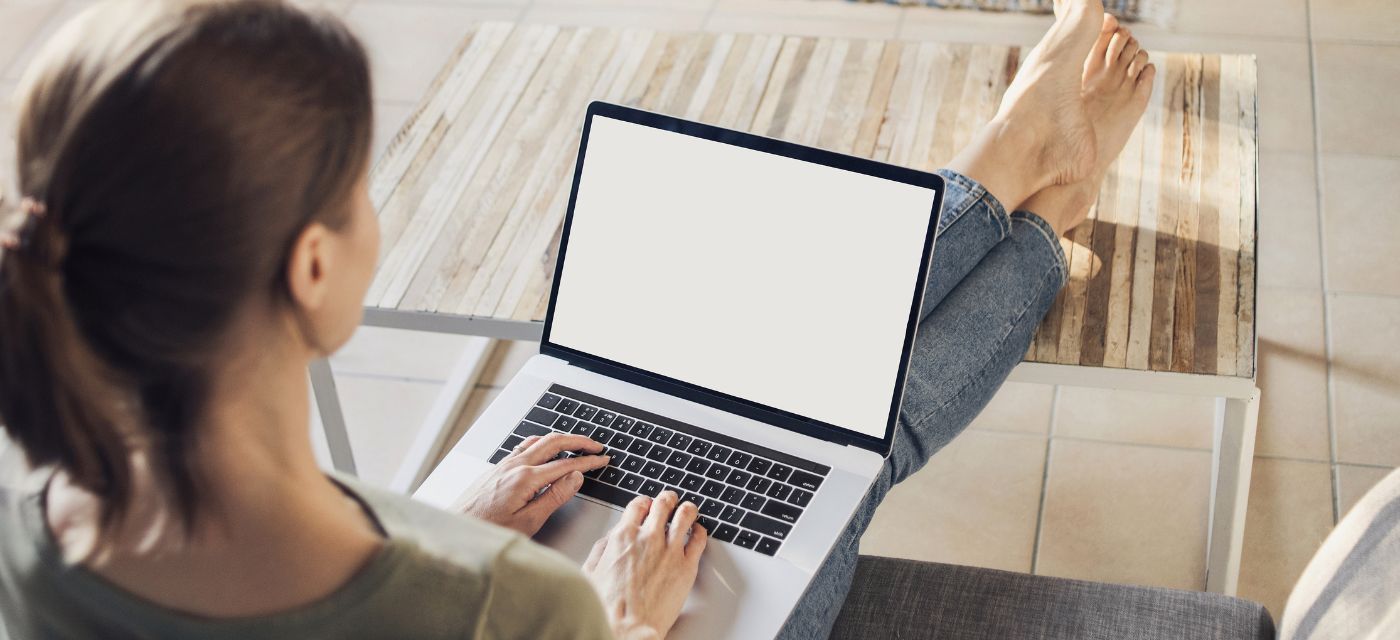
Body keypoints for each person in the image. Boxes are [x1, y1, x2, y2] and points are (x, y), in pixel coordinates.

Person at [0, 0, 1152, 638]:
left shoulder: (28, 539)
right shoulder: (515, 606)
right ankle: (1027, 197)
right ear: (310, 265)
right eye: (363, 183)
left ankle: (1030, 200)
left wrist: (446, 515)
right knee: (853, 440)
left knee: (832, 426)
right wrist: (623, 624)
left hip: (469, 545)